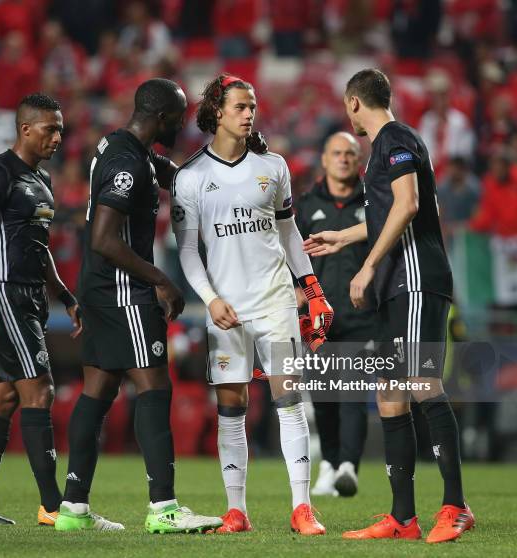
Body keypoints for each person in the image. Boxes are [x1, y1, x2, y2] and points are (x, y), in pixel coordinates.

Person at [304, 69, 474, 543]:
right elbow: (387, 214)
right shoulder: (386, 146)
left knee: (421, 383)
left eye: (346, 106)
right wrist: (345, 236)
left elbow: (408, 205)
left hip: (416, 277)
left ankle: (456, 507)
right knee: (390, 392)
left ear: (354, 103)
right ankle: (402, 518)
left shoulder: (394, 137)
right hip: (400, 285)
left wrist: (366, 266)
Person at [55, 78, 222, 534]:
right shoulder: (128, 163)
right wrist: (162, 281)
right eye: (180, 116)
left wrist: (230, 155)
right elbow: (105, 238)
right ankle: (164, 508)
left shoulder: (126, 148)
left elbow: (180, 174)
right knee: (154, 388)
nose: (183, 124)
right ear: (162, 116)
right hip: (123, 290)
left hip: (99, 289)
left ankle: (73, 508)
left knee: (99, 391)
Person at [172, 74, 333, 535]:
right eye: (241, 106)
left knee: (289, 398)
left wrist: (312, 288)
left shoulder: (274, 167)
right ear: (217, 112)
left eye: (253, 107)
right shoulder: (190, 177)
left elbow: (289, 234)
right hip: (227, 310)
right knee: (231, 407)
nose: (249, 114)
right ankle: (236, 510)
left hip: (276, 302)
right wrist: (210, 299)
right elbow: (187, 251)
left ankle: (302, 507)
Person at [0, 93, 81, 526]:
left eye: (61, 129)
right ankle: (53, 506)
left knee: (4, 393)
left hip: (32, 297)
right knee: (39, 389)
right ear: (25, 129)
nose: (58, 137)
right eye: (50, 128)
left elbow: (39, 249)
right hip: (5, 294)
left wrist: (65, 294)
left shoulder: (41, 181)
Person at [295, 132, 376, 497]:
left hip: (362, 315)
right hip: (318, 318)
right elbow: (288, 254)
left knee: (353, 395)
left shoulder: (375, 204)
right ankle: (328, 464)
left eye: (350, 153)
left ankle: (348, 467)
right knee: (324, 396)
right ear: (324, 160)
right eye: (336, 153)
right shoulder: (307, 205)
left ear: (358, 161)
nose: (343, 159)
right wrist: (297, 289)